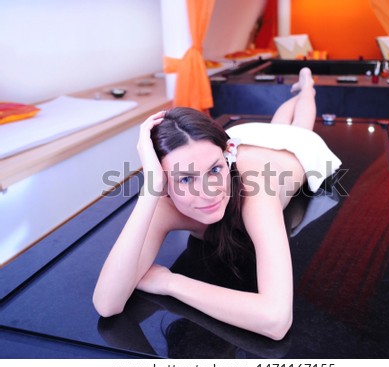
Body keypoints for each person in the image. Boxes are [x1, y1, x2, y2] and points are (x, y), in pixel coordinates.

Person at [93, 68, 341, 341]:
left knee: (298, 127)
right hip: (235, 142)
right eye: (185, 179)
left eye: (214, 171)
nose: (208, 192)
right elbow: (107, 304)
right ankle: (299, 91)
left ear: (227, 156)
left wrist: (169, 282)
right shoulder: (166, 197)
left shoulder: (257, 192)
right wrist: (149, 191)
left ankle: (307, 87)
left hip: (290, 153)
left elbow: (276, 320)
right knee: (278, 126)